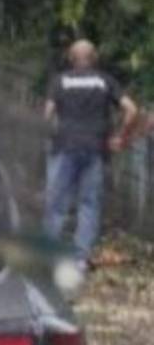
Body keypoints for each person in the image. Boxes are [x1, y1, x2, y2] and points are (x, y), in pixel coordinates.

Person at [43, 39, 138, 269]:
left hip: (64, 147)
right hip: (95, 149)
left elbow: (47, 115)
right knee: (89, 204)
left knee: (56, 204)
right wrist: (120, 137)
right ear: (94, 58)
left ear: (71, 58)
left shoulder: (60, 81)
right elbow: (131, 109)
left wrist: (50, 135)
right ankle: (80, 259)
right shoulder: (105, 80)